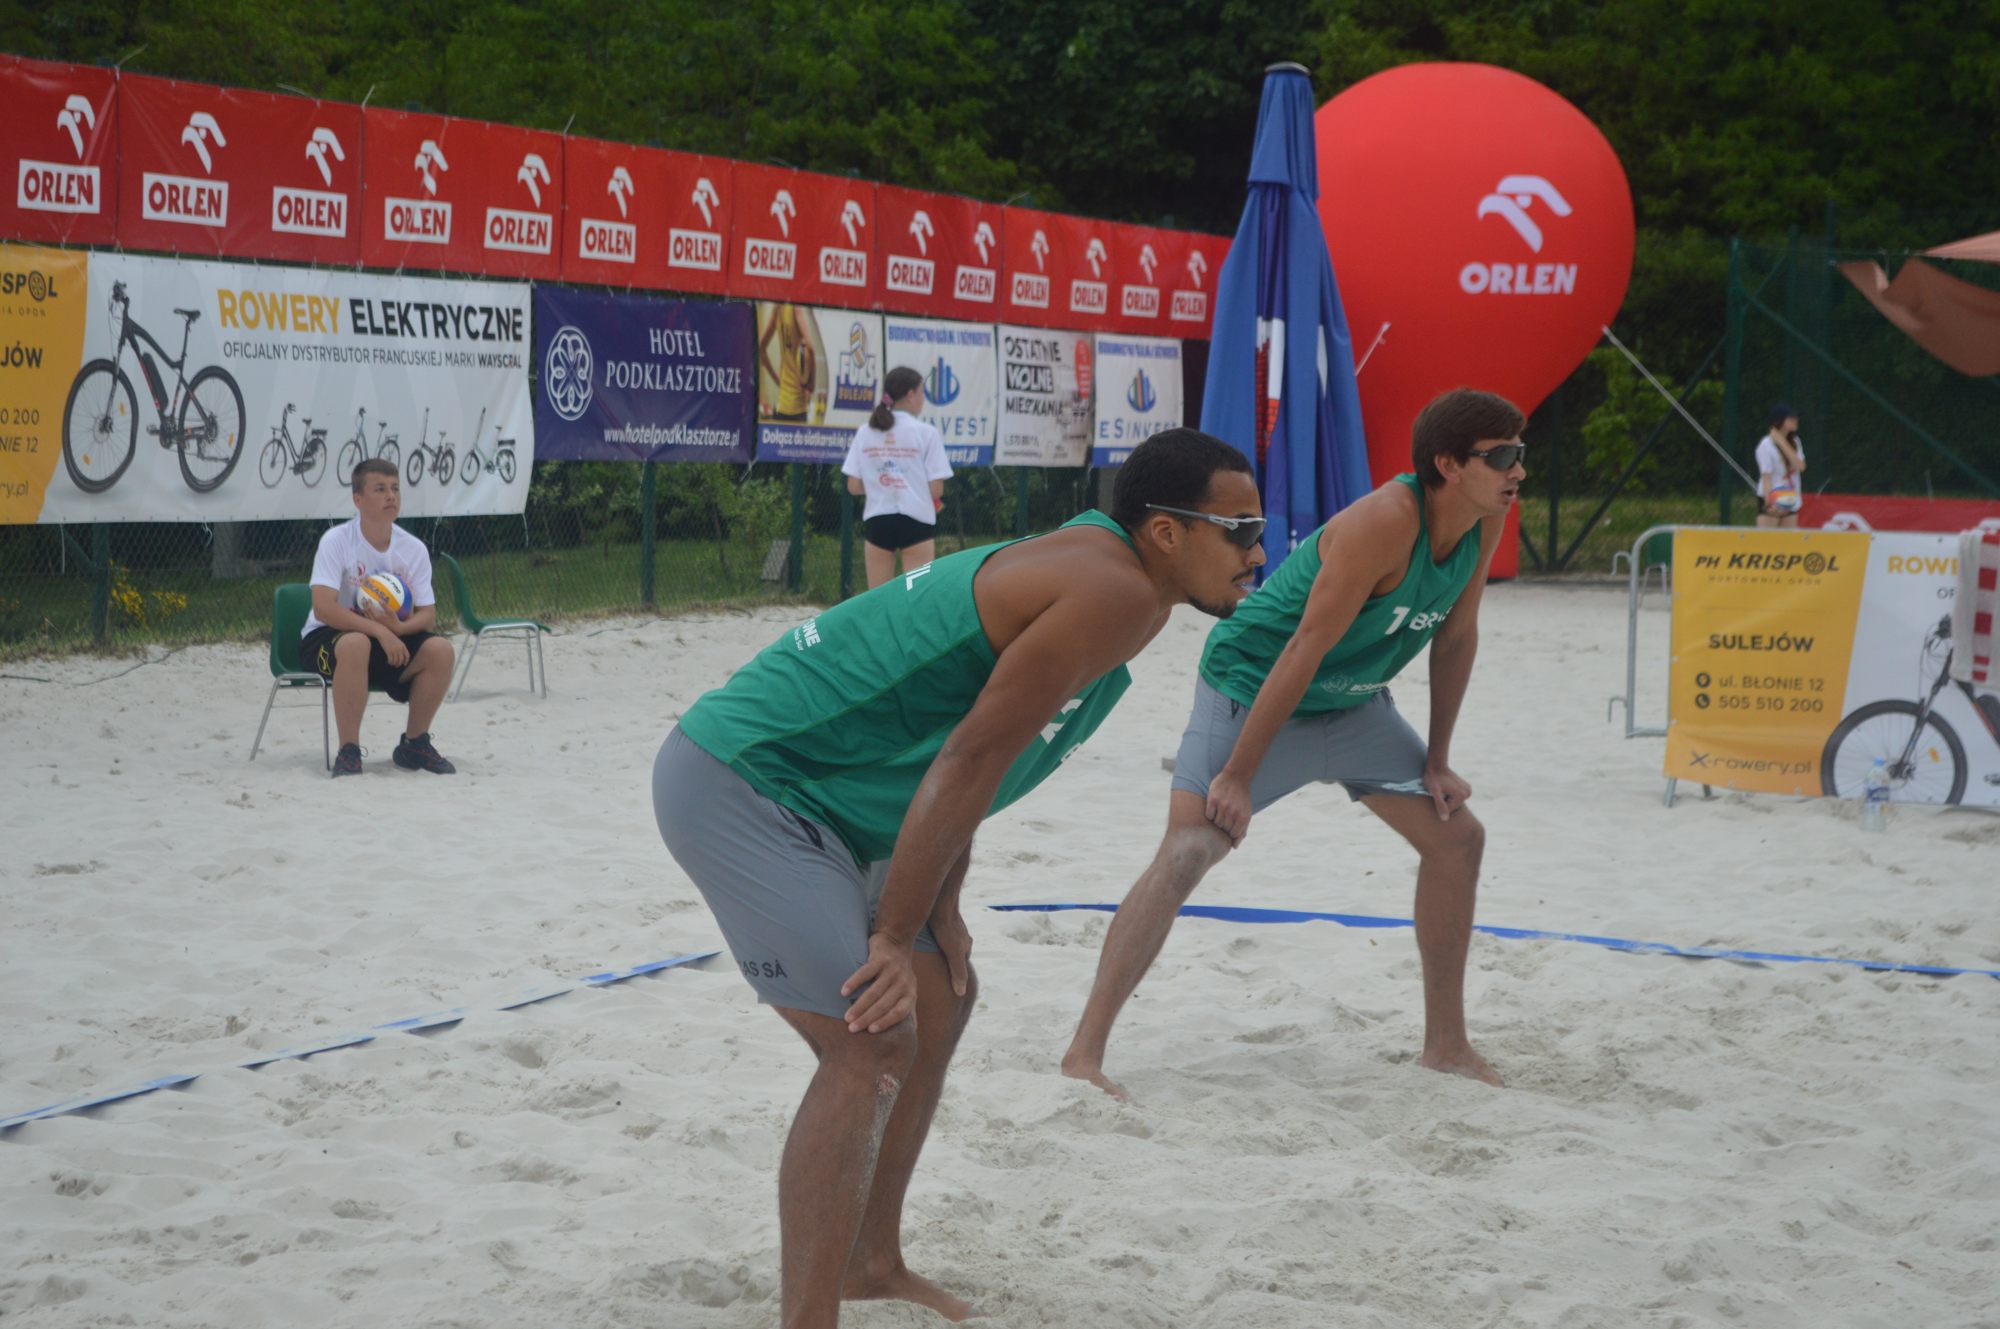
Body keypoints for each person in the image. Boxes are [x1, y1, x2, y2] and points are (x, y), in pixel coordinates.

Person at [652, 428, 1263, 1327]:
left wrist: (937, 906)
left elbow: (977, 749)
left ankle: (869, 1260)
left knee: (939, 993)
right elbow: (971, 754)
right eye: (1239, 528)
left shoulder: (1117, 577)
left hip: (838, 804)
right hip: (746, 779)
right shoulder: (1115, 590)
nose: (1257, 551)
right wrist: (893, 934)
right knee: (869, 1041)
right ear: (1167, 532)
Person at [1061, 387, 1529, 1101]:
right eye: (1502, 456)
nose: (1518, 469)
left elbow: (1457, 636)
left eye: (1520, 454)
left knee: (1458, 839)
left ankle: (1446, 1045)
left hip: (1352, 704)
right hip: (1254, 690)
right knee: (1187, 852)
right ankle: (1083, 1055)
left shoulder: (1482, 520)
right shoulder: (1383, 522)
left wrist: (1438, 759)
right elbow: (1304, 647)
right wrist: (1240, 775)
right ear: (1448, 464)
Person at [300, 458, 457, 777]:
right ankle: (349, 750)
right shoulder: (337, 541)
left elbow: (427, 615)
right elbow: (324, 608)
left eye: (396, 489)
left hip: (388, 640)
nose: (391, 497)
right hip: (327, 640)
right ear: (358, 500)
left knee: (441, 650)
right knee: (357, 643)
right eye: (380, 489)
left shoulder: (412, 548)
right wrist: (379, 631)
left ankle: (414, 744)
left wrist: (398, 627)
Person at [842, 366, 952, 588]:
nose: (923, 400)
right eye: (922, 393)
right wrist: (910, 484)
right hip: (917, 519)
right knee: (918, 596)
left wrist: (881, 483)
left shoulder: (866, 431)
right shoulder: (926, 432)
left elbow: (853, 486)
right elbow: (937, 490)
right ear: (910, 394)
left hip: (879, 519)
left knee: (879, 597)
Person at [1755, 404, 1806, 529]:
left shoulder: (1795, 442)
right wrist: (1768, 504)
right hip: (1773, 500)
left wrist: (1782, 442)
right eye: (1791, 418)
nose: (1796, 420)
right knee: (1766, 544)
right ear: (1779, 421)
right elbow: (1766, 476)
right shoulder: (1766, 445)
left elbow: (1800, 466)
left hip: (1790, 499)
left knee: (1788, 544)